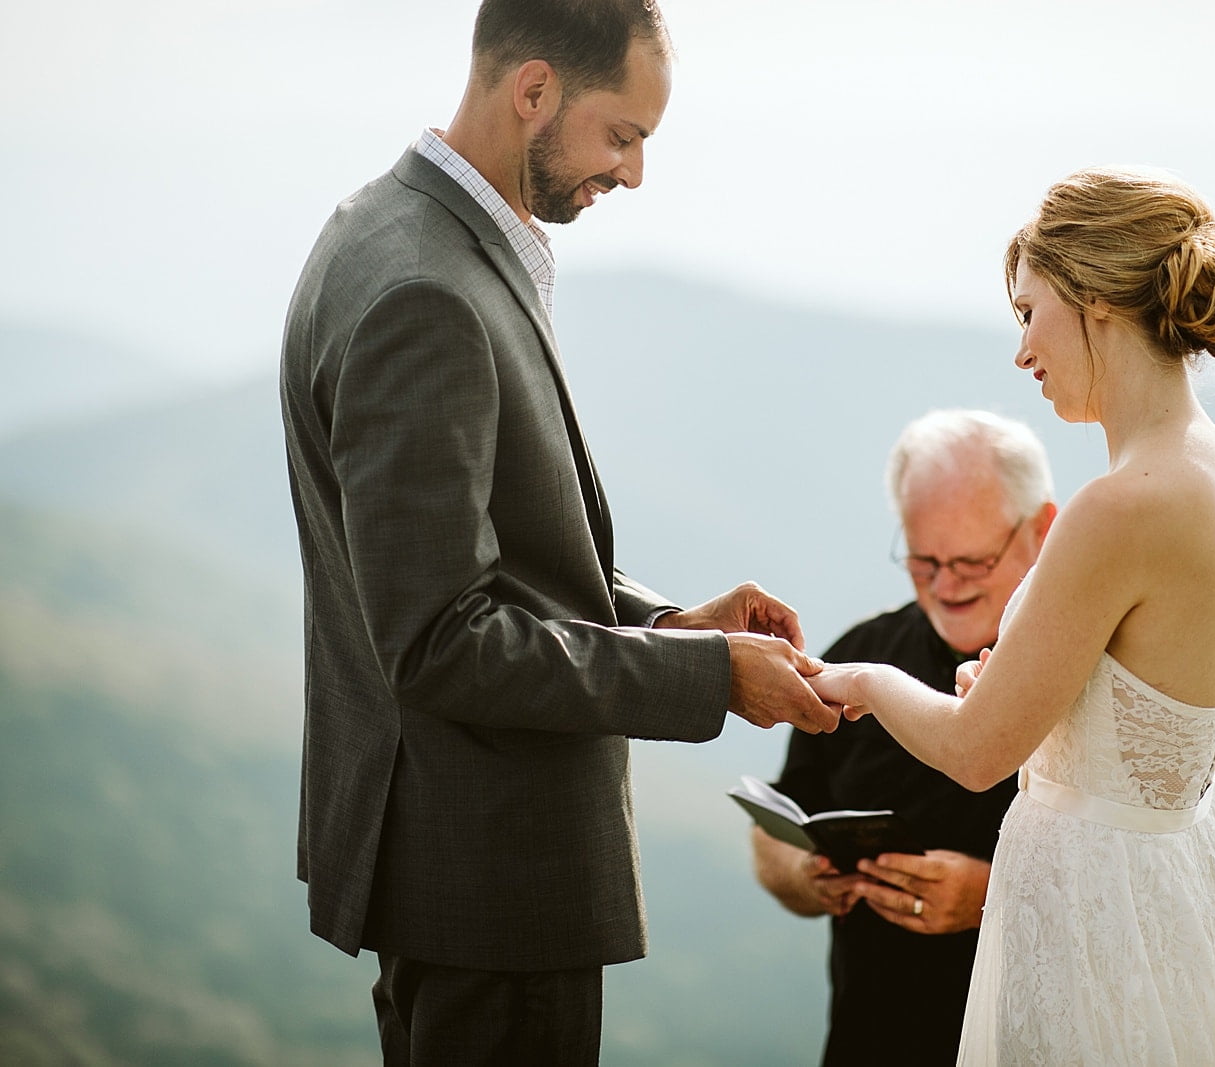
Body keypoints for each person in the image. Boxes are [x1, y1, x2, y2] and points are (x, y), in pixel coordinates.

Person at [278, 1, 838, 1062]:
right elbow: (441, 636)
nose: (632, 174)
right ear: (532, 90)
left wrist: (669, 623)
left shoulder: (384, 226)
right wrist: (711, 677)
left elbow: (487, 555)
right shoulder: (421, 293)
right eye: (621, 135)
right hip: (489, 879)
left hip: (459, 874)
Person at [809, 166, 1215, 1065]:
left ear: (1095, 303)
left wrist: (867, 680)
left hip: (1090, 921)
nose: (1022, 351)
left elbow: (973, 752)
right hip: (1187, 901)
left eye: (1030, 313)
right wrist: (1061, 704)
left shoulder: (1118, 507)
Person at [752, 410, 1057, 1065]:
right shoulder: (861, 655)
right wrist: (806, 873)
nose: (946, 586)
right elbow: (778, 823)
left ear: (1043, 529)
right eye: (923, 561)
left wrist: (991, 900)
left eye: (972, 559)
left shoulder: (1103, 680)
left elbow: (1161, 880)